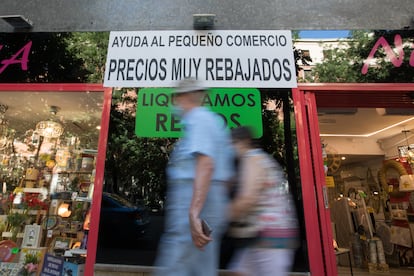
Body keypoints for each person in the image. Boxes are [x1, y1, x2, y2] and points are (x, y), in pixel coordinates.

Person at [154, 77, 234, 276]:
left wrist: (194, 212)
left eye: (177, 98)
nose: (175, 103)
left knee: (177, 263)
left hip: (195, 206)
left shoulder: (200, 118)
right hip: (205, 204)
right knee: (199, 267)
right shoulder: (206, 121)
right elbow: (226, 178)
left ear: (185, 97)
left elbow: (206, 163)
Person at [227, 126, 299, 276]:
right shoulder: (263, 159)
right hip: (262, 234)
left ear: (244, 142)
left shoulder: (252, 159)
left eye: (233, 143)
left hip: (270, 236)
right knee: (238, 271)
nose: (231, 149)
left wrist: (221, 217)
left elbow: (247, 198)